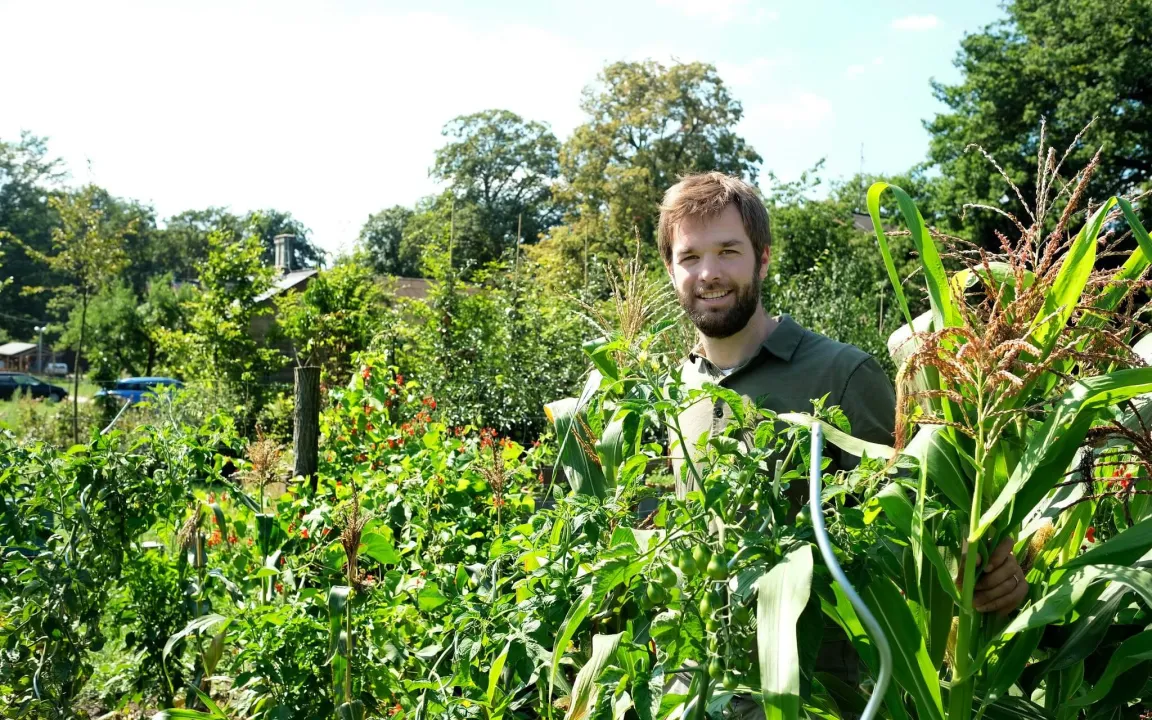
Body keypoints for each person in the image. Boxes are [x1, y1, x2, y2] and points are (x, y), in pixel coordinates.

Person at [656, 172, 1028, 712]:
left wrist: (988, 574)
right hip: (701, 689)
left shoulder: (841, 374)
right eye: (689, 257)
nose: (708, 273)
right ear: (671, 269)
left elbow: (923, 518)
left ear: (762, 258)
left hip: (825, 693)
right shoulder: (668, 394)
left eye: (728, 251)